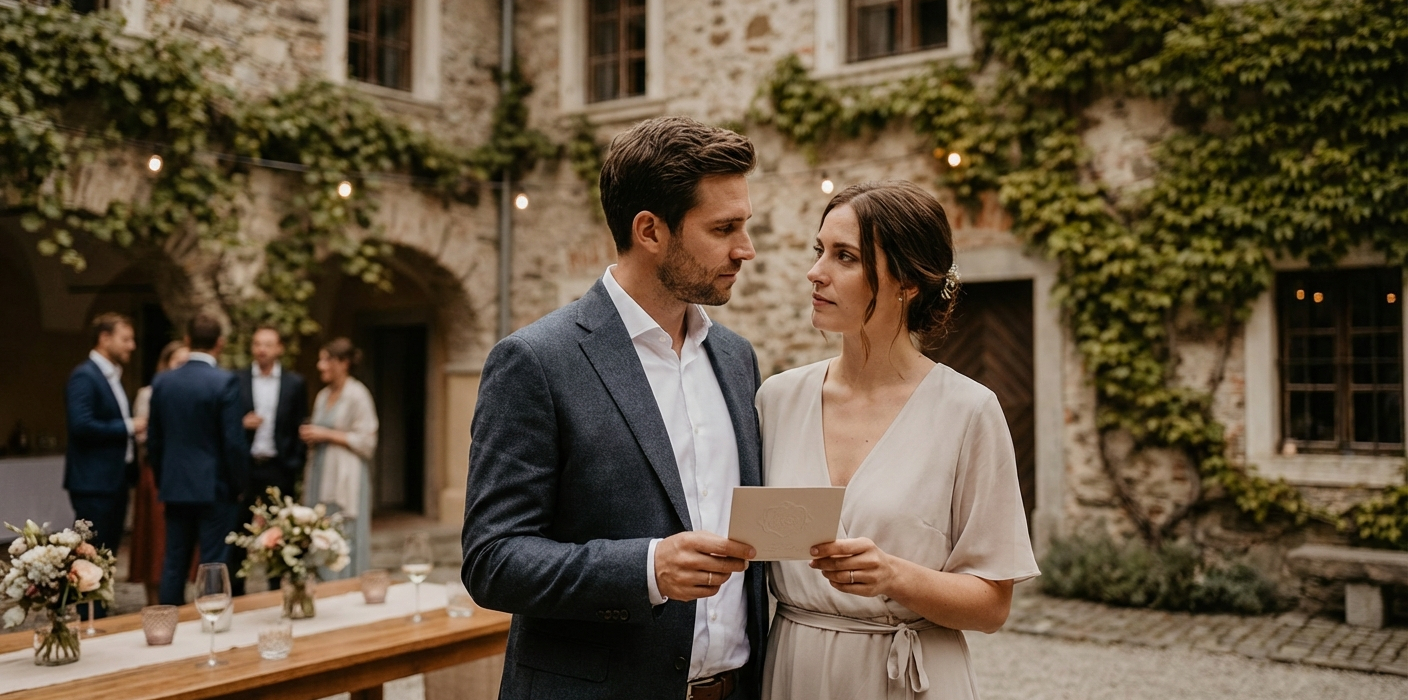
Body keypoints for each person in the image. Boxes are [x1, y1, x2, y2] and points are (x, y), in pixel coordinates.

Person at [462, 116, 768, 700]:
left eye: (744, 226)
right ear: (650, 231)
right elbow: (493, 559)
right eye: (724, 228)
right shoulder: (535, 361)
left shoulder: (735, 358)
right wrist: (647, 568)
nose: (745, 249)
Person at [756, 181, 1040, 700]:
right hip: (793, 671)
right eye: (819, 250)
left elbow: (992, 607)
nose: (815, 272)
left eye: (845, 257)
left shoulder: (969, 412)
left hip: (908, 678)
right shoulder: (777, 400)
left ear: (907, 282)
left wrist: (892, 575)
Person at [149, 312, 249, 606]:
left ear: (188, 340)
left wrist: (162, 476)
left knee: (174, 561)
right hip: (215, 487)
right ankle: (211, 626)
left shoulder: (163, 382)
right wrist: (240, 484)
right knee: (214, 561)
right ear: (220, 343)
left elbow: (155, 440)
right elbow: (233, 442)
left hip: (176, 484)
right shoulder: (224, 382)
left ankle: (168, 623)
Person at [64, 312, 146, 619]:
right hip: (93, 482)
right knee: (91, 553)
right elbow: (81, 424)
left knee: (107, 552)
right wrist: (128, 426)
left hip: (114, 478)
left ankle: (100, 610)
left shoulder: (110, 376)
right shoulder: (85, 376)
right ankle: (89, 615)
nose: (132, 345)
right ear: (104, 338)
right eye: (126, 338)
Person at [232, 325, 308, 595]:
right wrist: (241, 424)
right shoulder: (237, 379)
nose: (261, 349)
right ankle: (237, 591)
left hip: (280, 466)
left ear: (279, 349)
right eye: (257, 344)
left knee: (281, 532)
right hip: (247, 466)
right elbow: (227, 423)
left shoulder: (294, 383)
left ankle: (278, 590)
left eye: (267, 344)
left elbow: (300, 424)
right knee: (239, 531)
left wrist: (295, 462)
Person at [300, 338, 377, 579]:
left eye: (326, 360)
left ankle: (347, 585)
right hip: (320, 472)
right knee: (319, 533)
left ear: (343, 363)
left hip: (347, 477)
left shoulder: (357, 395)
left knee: (345, 534)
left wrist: (327, 434)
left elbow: (367, 441)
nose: (320, 366)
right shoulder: (323, 396)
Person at [130, 340, 189, 606]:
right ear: (165, 365)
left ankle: (178, 596)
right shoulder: (149, 393)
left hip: (185, 475)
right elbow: (143, 435)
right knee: (155, 538)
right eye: (177, 363)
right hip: (157, 472)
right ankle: (154, 602)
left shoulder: (193, 392)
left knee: (180, 540)